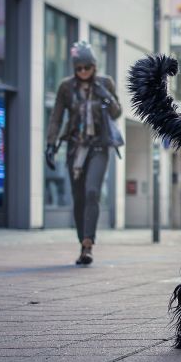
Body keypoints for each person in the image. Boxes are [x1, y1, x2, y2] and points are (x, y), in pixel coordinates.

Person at [45, 41, 122, 265]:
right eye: (78, 68)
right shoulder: (66, 87)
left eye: (86, 67)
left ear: (93, 66)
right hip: (75, 148)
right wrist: (51, 144)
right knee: (78, 198)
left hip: (99, 147)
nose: (82, 72)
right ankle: (82, 242)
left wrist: (104, 95)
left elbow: (117, 112)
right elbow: (56, 117)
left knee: (91, 193)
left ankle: (88, 245)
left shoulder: (105, 82)